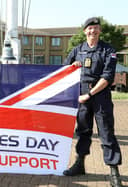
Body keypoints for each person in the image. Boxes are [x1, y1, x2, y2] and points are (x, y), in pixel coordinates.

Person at [63, 17, 122, 187]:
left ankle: (114, 171)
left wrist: (89, 94)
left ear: (99, 31)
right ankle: (79, 164)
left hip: (100, 95)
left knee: (106, 132)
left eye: (96, 28)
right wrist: (72, 67)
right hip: (81, 94)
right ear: (84, 31)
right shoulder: (77, 50)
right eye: (90, 29)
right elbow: (64, 71)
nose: (93, 31)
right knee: (83, 130)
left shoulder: (108, 50)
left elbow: (107, 78)